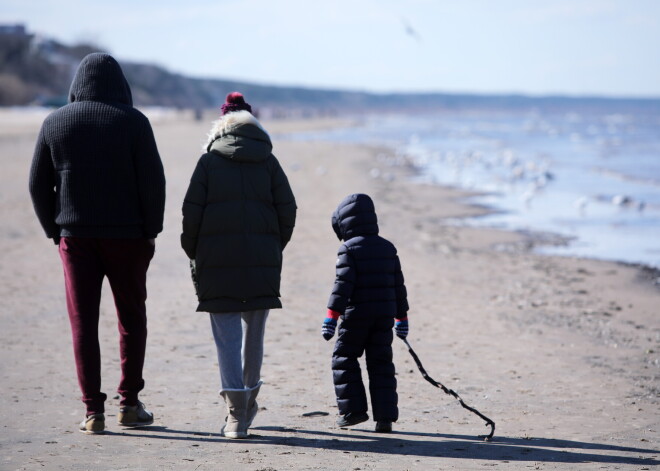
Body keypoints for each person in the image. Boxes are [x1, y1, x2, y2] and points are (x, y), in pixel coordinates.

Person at [28, 53, 166, 435]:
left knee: (82, 323)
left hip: (76, 237)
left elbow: (38, 184)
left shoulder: (55, 121)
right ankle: (130, 404)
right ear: (121, 85)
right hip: (128, 236)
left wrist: (54, 231)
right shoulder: (134, 122)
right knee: (131, 320)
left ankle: (93, 411)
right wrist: (150, 231)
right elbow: (153, 182)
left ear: (77, 84)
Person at [181, 92, 296, 439]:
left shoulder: (208, 161)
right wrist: (274, 246)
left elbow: (191, 214)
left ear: (221, 125)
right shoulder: (269, 160)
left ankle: (235, 416)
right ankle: (248, 404)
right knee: (255, 336)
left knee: (227, 340)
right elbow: (287, 210)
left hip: (217, 261)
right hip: (262, 260)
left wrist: (195, 252)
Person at [321, 193, 409, 433]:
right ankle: (385, 419)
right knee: (381, 363)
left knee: (344, 358)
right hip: (383, 317)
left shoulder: (348, 249)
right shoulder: (388, 248)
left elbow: (342, 286)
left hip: (356, 316)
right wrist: (402, 318)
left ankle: (353, 412)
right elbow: (398, 287)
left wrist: (331, 317)